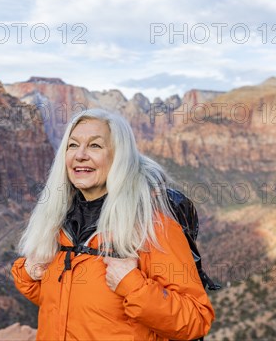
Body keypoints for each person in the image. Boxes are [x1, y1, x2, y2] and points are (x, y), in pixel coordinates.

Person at [11, 108, 215, 340]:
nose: (80, 155)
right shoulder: (57, 223)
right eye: (73, 145)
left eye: (95, 146)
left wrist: (131, 285)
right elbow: (71, 303)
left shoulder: (152, 225)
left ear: (119, 156)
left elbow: (196, 319)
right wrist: (28, 274)